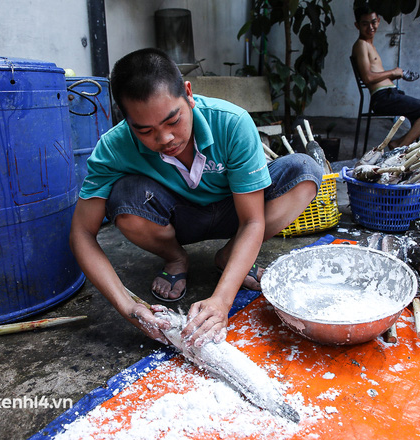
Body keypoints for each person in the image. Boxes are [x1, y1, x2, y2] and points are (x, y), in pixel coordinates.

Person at [69, 48, 322, 348]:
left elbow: (253, 220)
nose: (165, 139)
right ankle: (176, 258)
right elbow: (82, 233)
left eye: (173, 121)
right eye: (145, 130)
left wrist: (221, 302)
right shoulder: (113, 147)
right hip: (176, 217)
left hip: (237, 213)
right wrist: (128, 306)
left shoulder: (231, 123)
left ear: (188, 94)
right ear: (126, 121)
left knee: (305, 172)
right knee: (124, 198)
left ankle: (231, 255)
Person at [352, 4, 420, 149]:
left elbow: (376, 76)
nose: (370, 27)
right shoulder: (361, 45)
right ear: (357, 25)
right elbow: (368, 78)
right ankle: (400, 146)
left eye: (373, 22)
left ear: (378, 20)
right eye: (365, 24)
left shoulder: (370, 45)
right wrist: (394, 72)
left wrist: (395, 75)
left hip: (391, 94)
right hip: (383, 98)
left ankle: (400, 144)